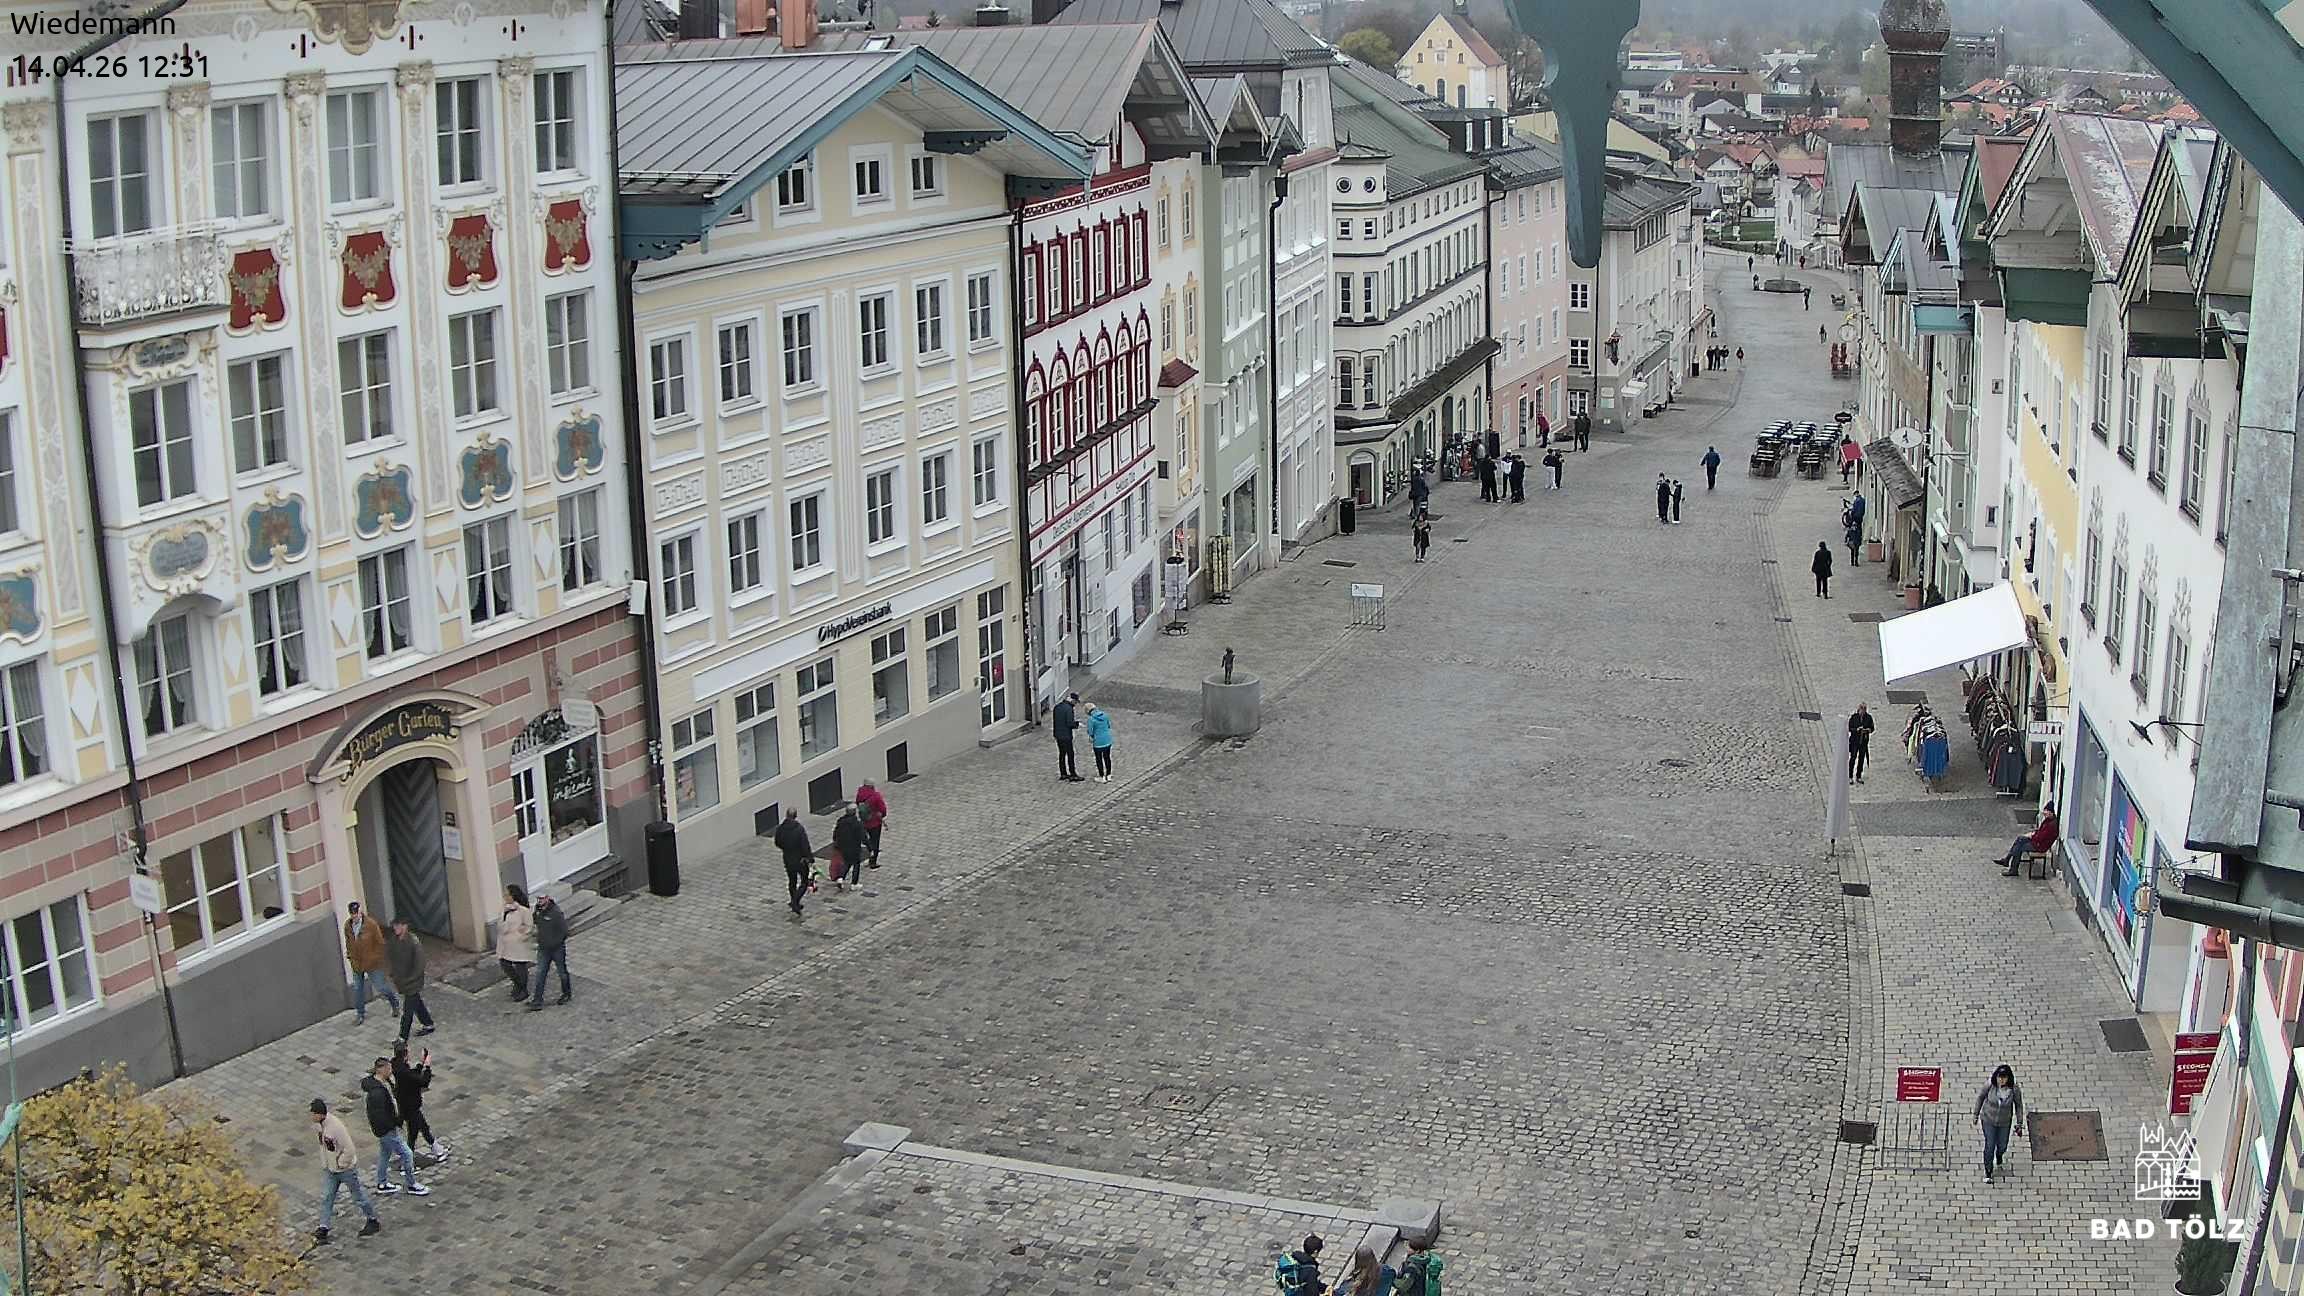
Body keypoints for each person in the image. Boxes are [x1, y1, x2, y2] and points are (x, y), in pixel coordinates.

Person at [311, 1099, 382, 1243]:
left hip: (345, 1170)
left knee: (358, 1197)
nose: (311, 1116)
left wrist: (341, 1163)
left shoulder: (336, 1127)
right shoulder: (319, 1126)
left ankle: (372, 1219)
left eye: (313, 1113)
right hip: (331, 1170)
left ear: (319, 1114)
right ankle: (323, 1227)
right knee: (327, 1197)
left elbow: (349, 1149)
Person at [361, 1056, 428, 1197]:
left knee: (385, 1154)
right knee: (407, 1154)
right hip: (387, 1130)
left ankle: (382, 1182)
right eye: (389, 1068)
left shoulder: (384, 1084)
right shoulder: (377, 1093)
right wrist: (393, 1125)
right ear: (382, 1069)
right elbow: (379, 1116)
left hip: (388, 1128)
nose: (391, 1071)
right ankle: (411, 1184)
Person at [343, 902, 398, 1025]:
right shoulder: (348, 926)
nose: (354, 917)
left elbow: (380, 943)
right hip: (357, 963)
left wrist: (375, 958)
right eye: (352, 914)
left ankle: (394, 1002)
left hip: (372, 963)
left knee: (381, 987)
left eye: (356, 914)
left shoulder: (371, 925)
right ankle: (360, 1014)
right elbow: (348, 942)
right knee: (358, 989)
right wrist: (350, 956)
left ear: (360, 912)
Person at [390, 1040, 446, 1163]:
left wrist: (420, 1064)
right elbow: (422, 1082)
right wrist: (427, 1067)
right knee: (418, 1130)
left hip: (405, 1105)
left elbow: (412, 1075)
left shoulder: (396, 1065)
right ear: (405, 1054)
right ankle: (410, 1160)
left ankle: (436, 1150)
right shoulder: (404, 1071)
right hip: (410, 1106)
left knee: (416, 1131)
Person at [385, 917, 435, 1041]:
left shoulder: (413, 942)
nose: (395, 928)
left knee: (407, 1011)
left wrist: (411, 979)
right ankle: (428, 1024)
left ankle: (402, 1037)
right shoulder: (393, 941)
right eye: (394, 926)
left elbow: (420, 963)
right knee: (417, 1003)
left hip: (412, 982)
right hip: (401, 980)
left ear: (405, 926)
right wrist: (392, 973)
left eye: (398, 926)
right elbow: (391, 957)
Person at [1975, 1064, 2027, 1183]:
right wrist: (1976, 1114)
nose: (2001, 1080)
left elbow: (2019, 1106)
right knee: (1990, 1144)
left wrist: (2019, 1123)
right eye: (1999, 1077)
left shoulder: (2014, 1089)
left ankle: (1999, 1154)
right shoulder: (1990, 1086)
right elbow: (1980, 1098)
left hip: (2004, 1122)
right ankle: (1988, 1171)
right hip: (1988, 1120)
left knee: (2002, 1144)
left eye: (2004, 1077)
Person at [528, 893, 571, 1007]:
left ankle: (566, 993)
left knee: (562, 972)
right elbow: (536, 922)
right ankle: (537, 1000)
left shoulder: (556, 913)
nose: (539, 901)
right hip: (543, 949)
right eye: (538, 899)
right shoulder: (538, 911)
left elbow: (564, 931)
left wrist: (555, 943)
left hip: (557, 949)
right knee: (540, 973)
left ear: (547, 898)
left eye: (542, 898)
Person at [497, 885, 535, 1003]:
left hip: (518, 944)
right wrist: (504, 917)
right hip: (506, 943)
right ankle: (517, 983)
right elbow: (500, 926)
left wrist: (521, 935)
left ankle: (523, 989)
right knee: (505, 963)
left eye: (507, 895)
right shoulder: (504, 909)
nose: (505, 897)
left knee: (520, 966)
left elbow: (529, 926)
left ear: (514, 895)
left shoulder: (523, 910)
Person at [1996, 807, 2061, 876]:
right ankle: (2007, 860)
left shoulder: (2051, 825)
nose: (2044, 812)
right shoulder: (2048, 820)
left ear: (2051, 812)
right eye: (2044, 810)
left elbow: (2041, 838)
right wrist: (2033, 834)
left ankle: (2012, 868)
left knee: (2019, 847)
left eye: (2046, 811)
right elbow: (2040, 832)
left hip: (2040, 846)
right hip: (2037, 842)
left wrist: (2031, 836)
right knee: (2020, 838)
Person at [773, 809, 814, 915]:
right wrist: (809, 858)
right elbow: (805, 845)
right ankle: (795, 901)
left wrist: (786, 849)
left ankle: (794, 901)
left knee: (792, 881)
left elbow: (777, 842)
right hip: (800, 860)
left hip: (787, 858)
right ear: (795, 816)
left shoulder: (780, 828)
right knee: (804, 881)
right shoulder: (799, 829)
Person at [831, 803, 868, 889]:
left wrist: (836, 842)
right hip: (854, 847)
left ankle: (840, 878)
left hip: (843, 847)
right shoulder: (857, 823)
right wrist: (869, 847)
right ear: (855, 812)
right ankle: (854, 884)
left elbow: (836, 832)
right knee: (856, 864)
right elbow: (863, 836)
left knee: (847, 862)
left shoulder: (841, 821)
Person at [855, 779, 889, 868]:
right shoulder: (876, 796)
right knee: (875, 841)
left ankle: (869, 850)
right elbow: (882, 809)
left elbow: (858, 804)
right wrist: (882, 815)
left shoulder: (860, 794)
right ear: (872, 786)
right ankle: (873, 861)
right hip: (875, 822)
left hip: (864, 821)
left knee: (867, 839)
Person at [1052, 691, 1083, 783]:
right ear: (1073, 700)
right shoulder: (1069, 709)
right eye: (1076, 702)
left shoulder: (1057, 707)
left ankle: (1063, 773)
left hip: (1058, 734)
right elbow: (1069, 723)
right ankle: (1073, 774)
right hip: (1066, 736)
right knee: (1070, 754)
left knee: (1061, 754)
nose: (1076, 704)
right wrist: (1077, 724)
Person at [1086, 703, 1116, 782]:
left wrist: (1091, 736)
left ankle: (1101, 776)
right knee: (1107, 757)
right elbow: (1108, 725)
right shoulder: (1105, 715)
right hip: (1107, 740)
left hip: (1098, 742)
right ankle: (1109, 775)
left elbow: (1090, 731)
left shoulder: (1091, 719)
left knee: (1099, 759)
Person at [1847, 704, 1875, 783]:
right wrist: (1857, 730)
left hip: (1863, 742)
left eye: (1864, 710)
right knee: (1853, 758)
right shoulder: (1854, 717)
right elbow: (1849, 728)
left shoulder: (1868, 718)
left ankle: (1858, 775)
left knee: (1861, 759)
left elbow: (1872, 728)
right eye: (1861, 709)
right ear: (1858, 709)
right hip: (1855, 741)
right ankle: (1850, 776)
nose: (1863, 711)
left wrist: (1868, 730)